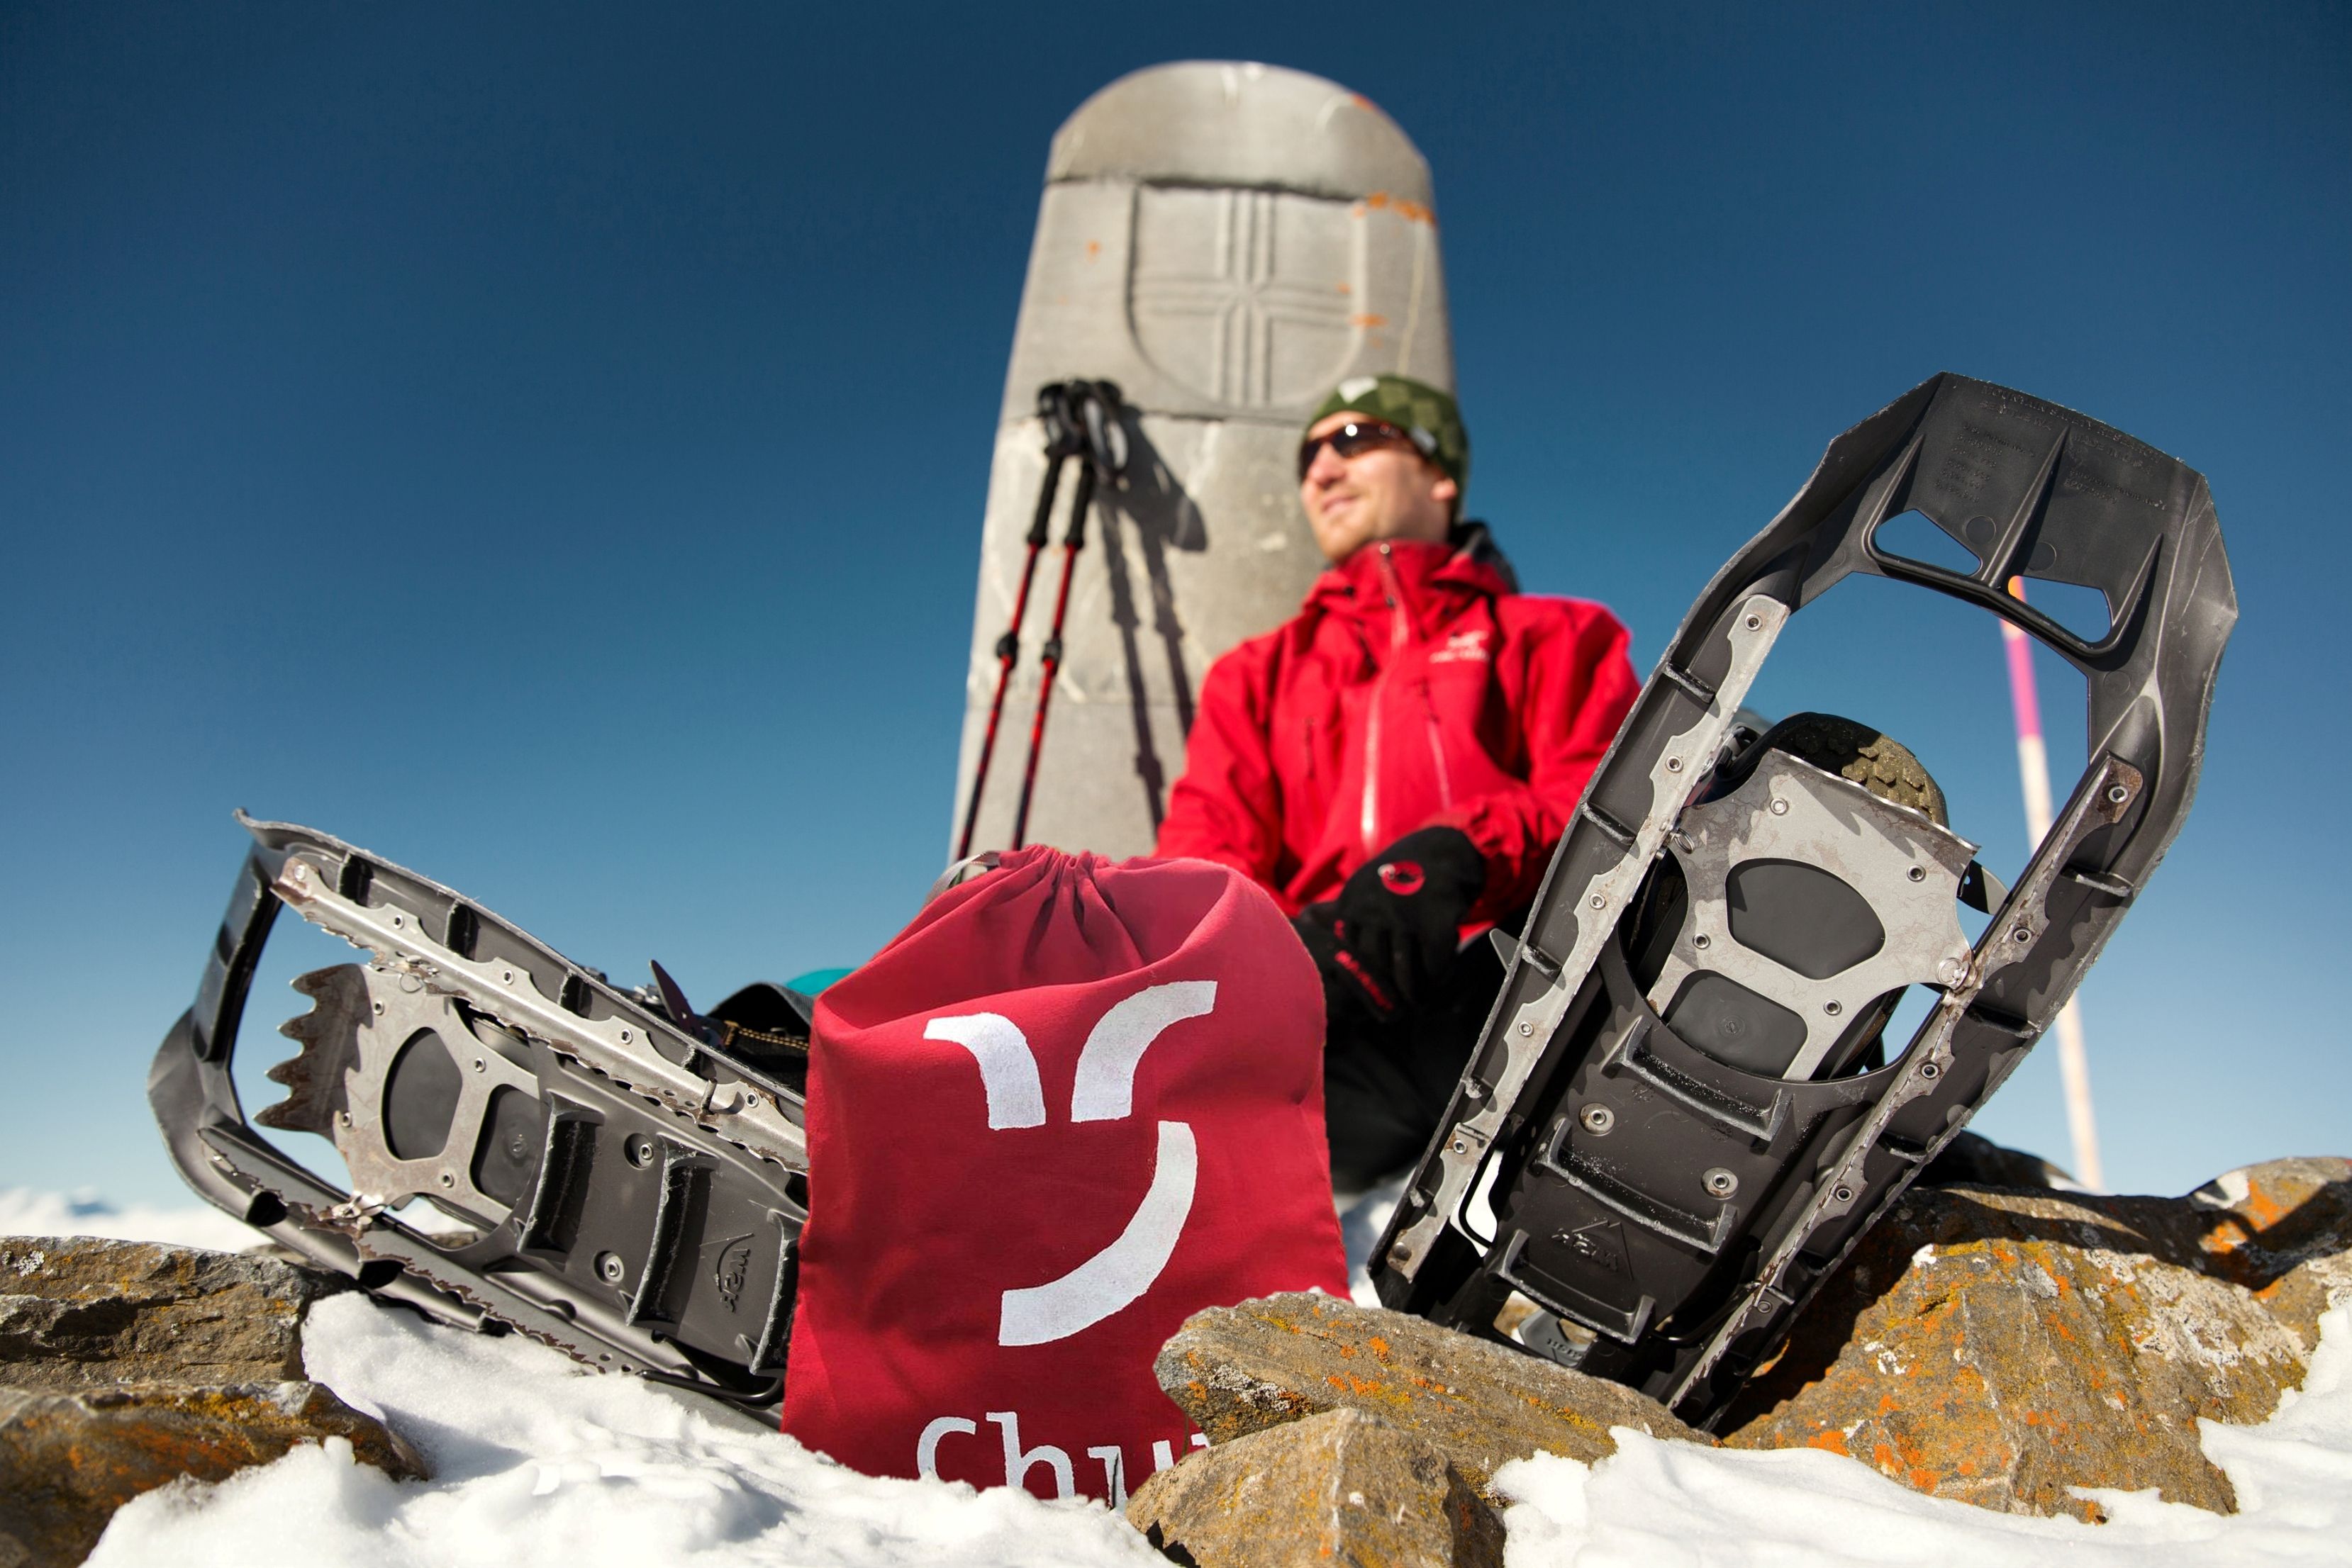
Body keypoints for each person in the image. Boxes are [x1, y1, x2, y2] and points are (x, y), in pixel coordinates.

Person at [1154, 374, 1642, 1187]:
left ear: (1437, 472)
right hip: (1324, 1035)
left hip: (1502, 1001)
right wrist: (1278, 961)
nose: (1321, 470)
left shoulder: (1557, 636)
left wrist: (1452, 856)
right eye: (1308, 455)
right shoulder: (1254, 675)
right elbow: (1205, 860)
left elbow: (1610, 798)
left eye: (1353, 441)